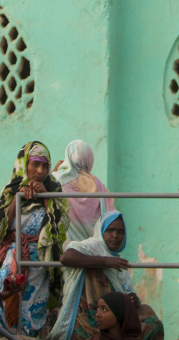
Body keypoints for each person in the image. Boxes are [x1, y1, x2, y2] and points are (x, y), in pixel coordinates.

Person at [50, 211, 163, 340]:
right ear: (101, 231)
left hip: (113, 322)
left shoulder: (118, 262)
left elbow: (126, 292)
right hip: (86, 319)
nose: (115, 236)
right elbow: (66, 258)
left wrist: (132, 299)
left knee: (152, 322)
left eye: (120, 232)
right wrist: (105, 262)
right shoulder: (91, 247)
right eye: (110, 230)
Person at [0, 141, 69, 336]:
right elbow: (2, 228)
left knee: (32, 314)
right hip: (10, 261)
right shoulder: (9, 192)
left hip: (40, 265)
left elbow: (60, 229)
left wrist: (46, 197)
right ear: (24, 164)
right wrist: (18, 196)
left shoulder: (54, 192)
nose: (40, 170)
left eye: (45, 165)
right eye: (35, 164)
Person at [53, 140, 116, 242]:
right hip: (92, 247)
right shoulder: (98, 184)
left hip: (65, 246)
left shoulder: (56, 179)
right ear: (89, 159)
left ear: (68, 156)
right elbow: (110, 212)